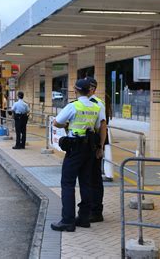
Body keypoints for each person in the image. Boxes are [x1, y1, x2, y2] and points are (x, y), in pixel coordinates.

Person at [50, 79, 106, 232]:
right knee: (86, 183)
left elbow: (56, 122)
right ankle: (83, 218)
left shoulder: (73, 106)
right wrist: (100, 147)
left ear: (76, 90)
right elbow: (98, 127)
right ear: (90, 91)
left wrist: (66, 124)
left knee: (67, 183)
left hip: (75, 149)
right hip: (90, 148)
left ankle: (68, 220)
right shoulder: (96, 107)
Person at [85, 77, 109, 223]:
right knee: (86, 178)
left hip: (94, 143)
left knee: (94, 178)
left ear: (92, 89)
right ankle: (88, 209)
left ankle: (96, 211)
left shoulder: (97, 103)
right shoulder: (82, 103)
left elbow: (103, 126)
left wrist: (100, 147)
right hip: (85, 143)